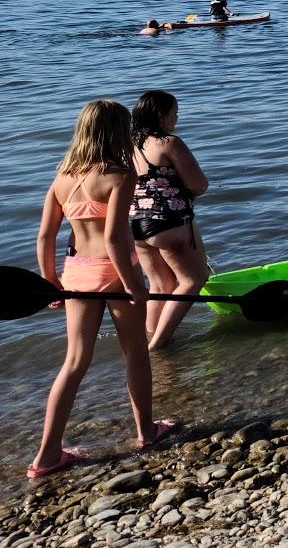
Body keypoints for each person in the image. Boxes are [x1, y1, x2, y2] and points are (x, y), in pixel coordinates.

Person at [29, 100, 177, 481]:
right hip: (115, 273)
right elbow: (113, 238)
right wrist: (134, 288)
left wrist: (51, 284)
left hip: (77, 273)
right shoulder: (119, 175)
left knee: (75, 362)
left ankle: (47, 456)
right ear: (117, 132)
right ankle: (146, 432)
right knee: (136, 354)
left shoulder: (62, 177)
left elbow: (45, 237)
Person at [129, 91, 210, 350]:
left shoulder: (126, 146)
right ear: (161, 115)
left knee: (160, 285)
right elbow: (198, 184)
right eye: (175, 112)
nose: (178, 116)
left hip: (136, 225)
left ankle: (148, 340)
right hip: (170, 223)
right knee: (192, 281)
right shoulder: (169, 143)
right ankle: (158, 345)